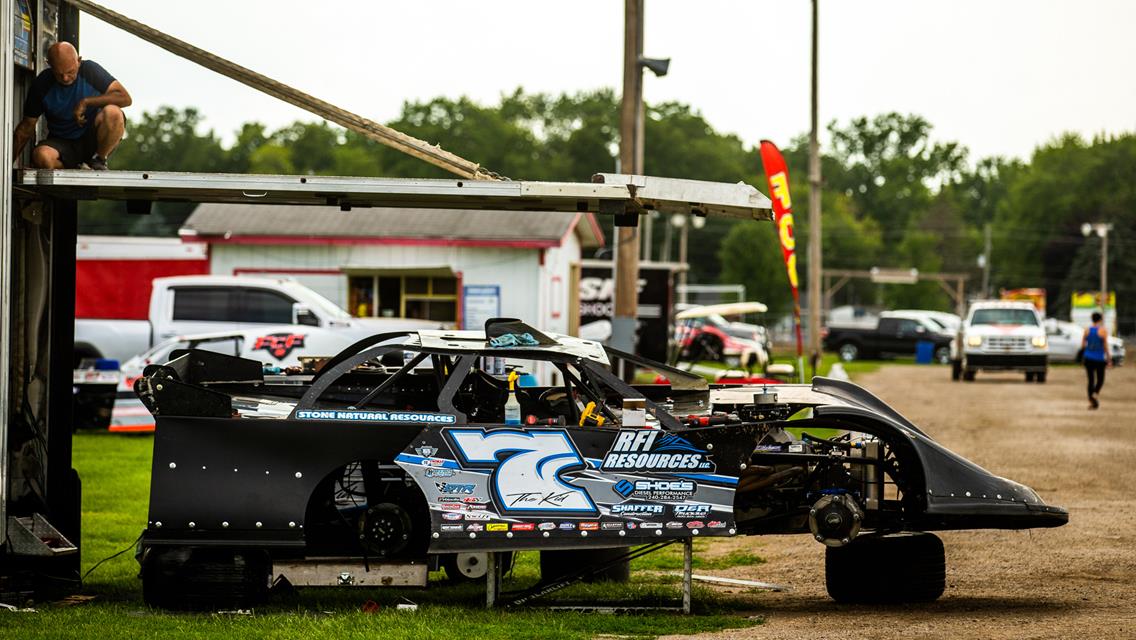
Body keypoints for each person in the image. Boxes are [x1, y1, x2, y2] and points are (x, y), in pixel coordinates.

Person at [11, 42, 131, 170]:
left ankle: (99, 160)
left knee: (114, 112)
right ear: (49, 65)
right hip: (62, 142)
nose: (66, 78)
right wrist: (6, 165)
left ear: (79, 61)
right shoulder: (41, 84)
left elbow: (125, 98)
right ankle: (77, 168)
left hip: (92, 139)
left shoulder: (90, 70)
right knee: (41, 156)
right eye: (59, 74)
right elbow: (26, 128)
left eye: (70, 72)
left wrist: (86, 102)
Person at [1081, 311, 1111, 409]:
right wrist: (1109, 358)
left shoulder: (1087, 330)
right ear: (1100, 319)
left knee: (1090, 380)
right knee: (1100, 379)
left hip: (1088, 357)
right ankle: (1095, 394)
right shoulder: (1103, 331)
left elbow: (1083, 345)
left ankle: (1091, 400)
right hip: (1099, 358)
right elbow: (1105, 346)